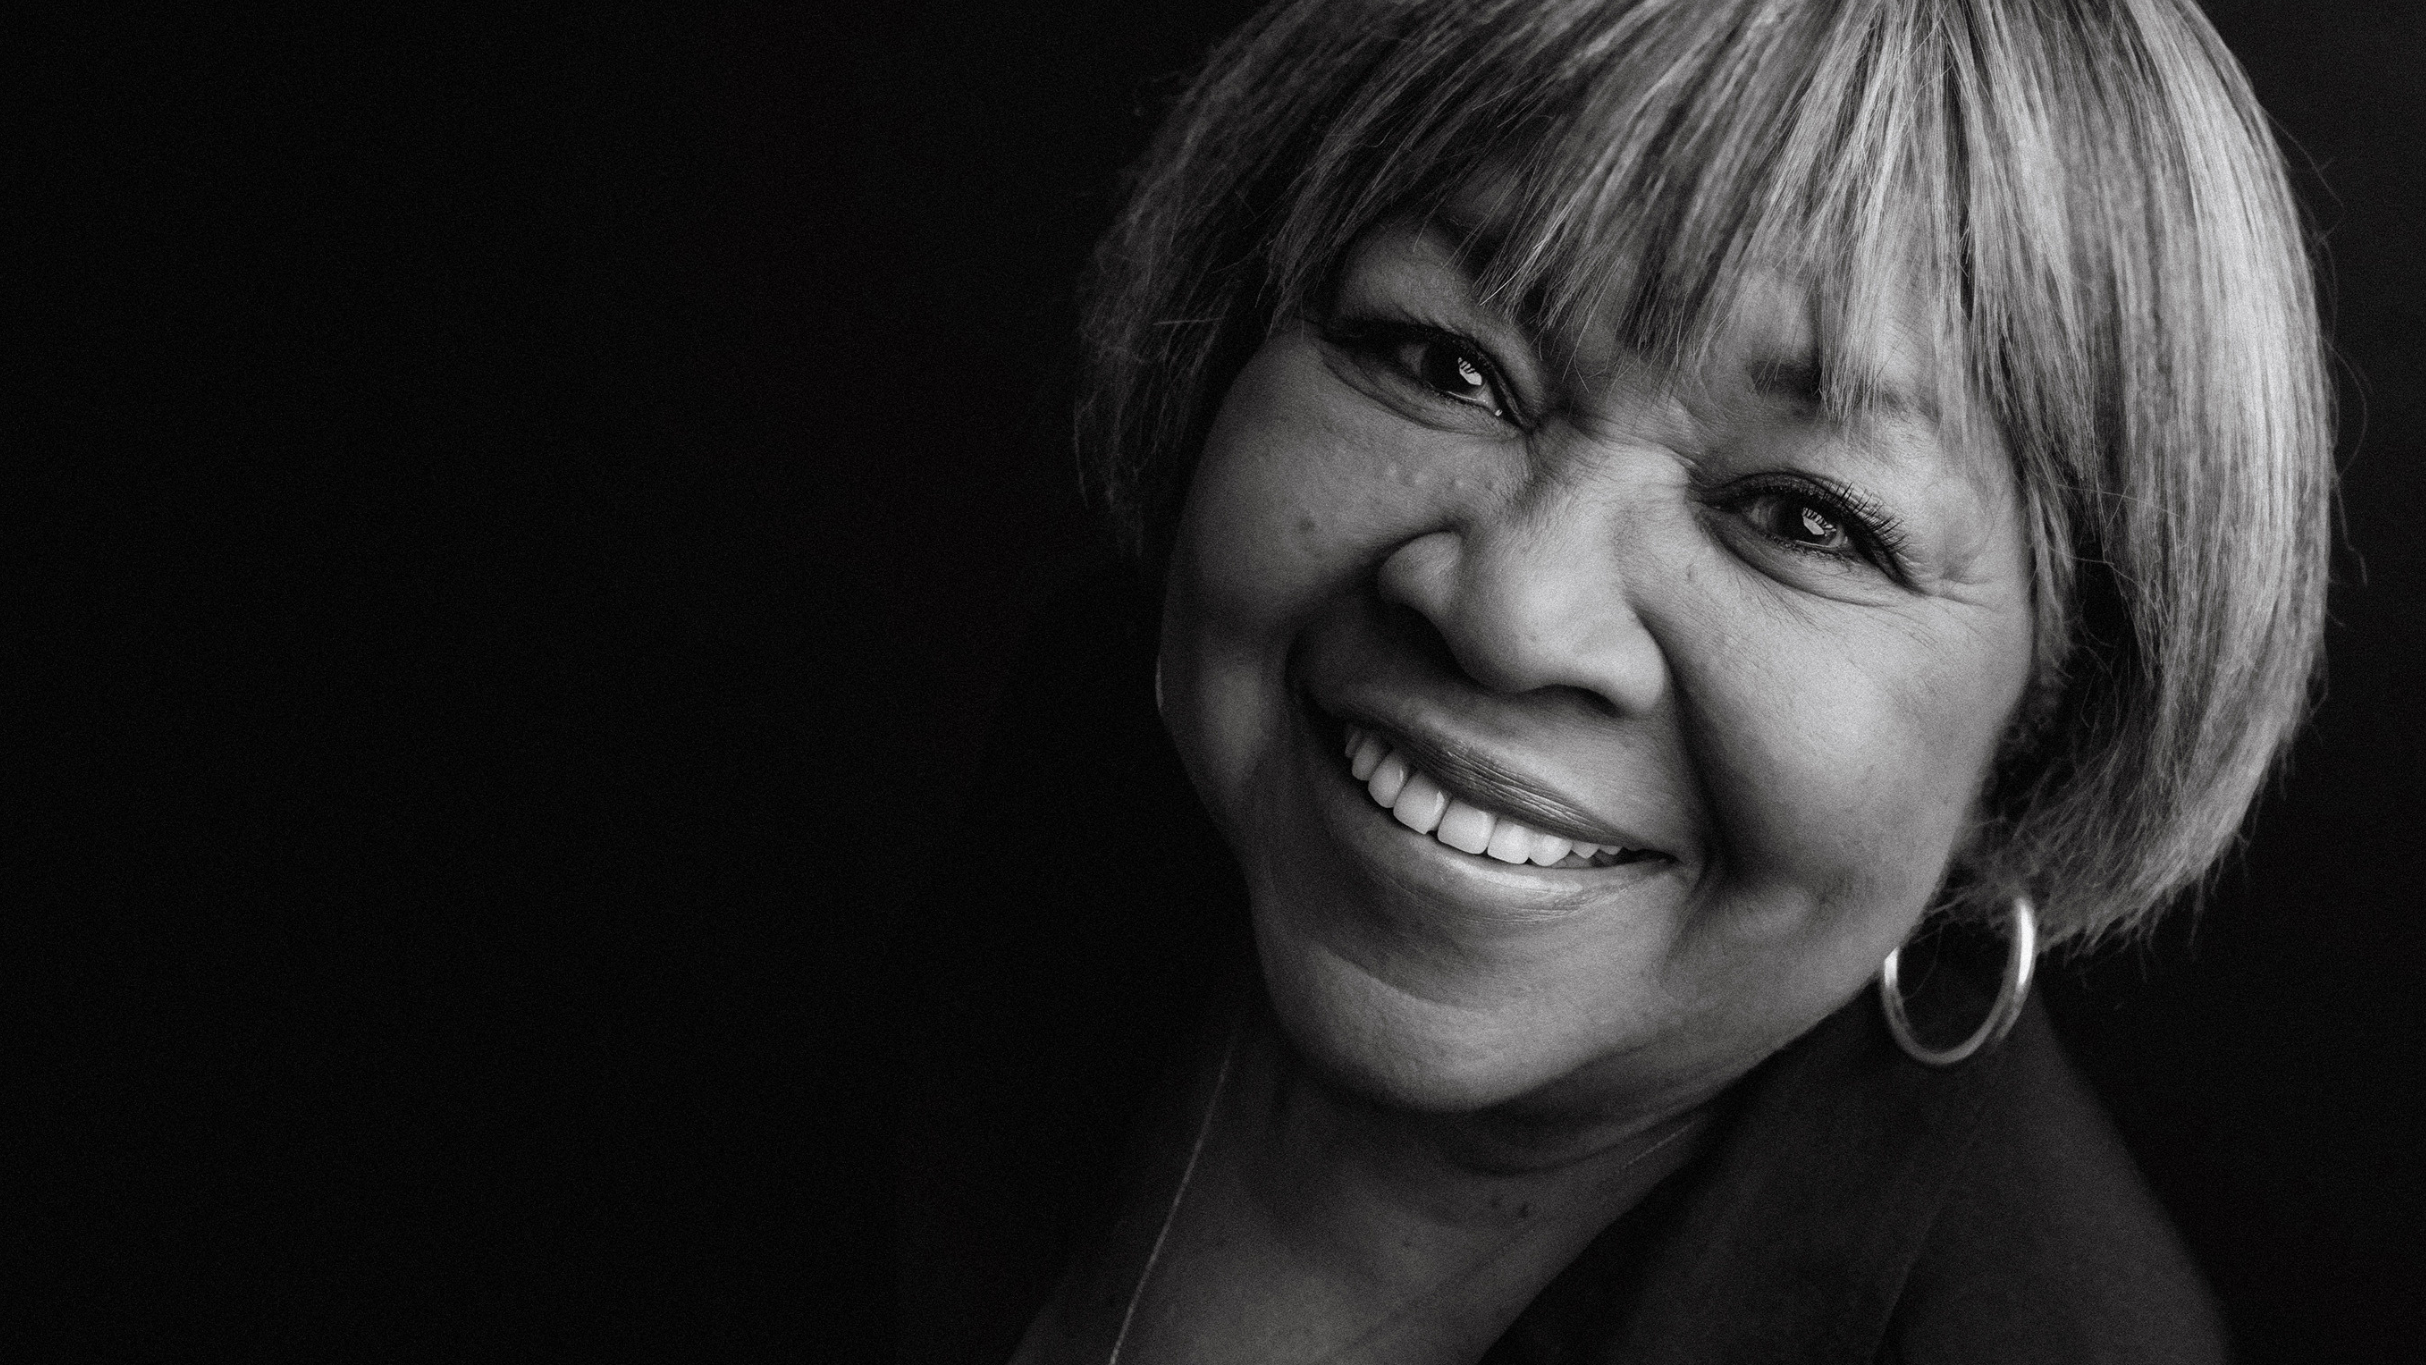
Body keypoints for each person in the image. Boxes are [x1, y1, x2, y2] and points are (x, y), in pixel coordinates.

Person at [898, 0, 2331, 1360]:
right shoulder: (1045, 753)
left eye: (1804, 519)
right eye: (1442, 362)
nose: (1512, 617)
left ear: (2050, 730)